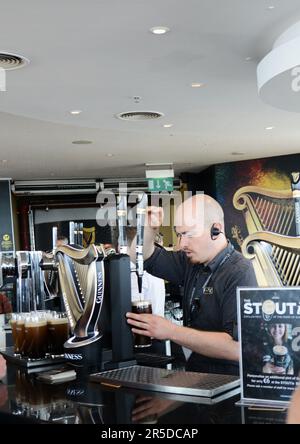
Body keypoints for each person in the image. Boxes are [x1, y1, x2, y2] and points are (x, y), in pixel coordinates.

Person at [126, 194, 257, 375]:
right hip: (197, 374)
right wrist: (149, 228)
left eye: (188, 234)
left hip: (229, 381)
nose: (181, 244)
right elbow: (140, 257)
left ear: (216, 229)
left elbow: (236, 348)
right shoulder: (190, 262)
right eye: (180, 235)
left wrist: (170, 331)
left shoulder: (239, 271)